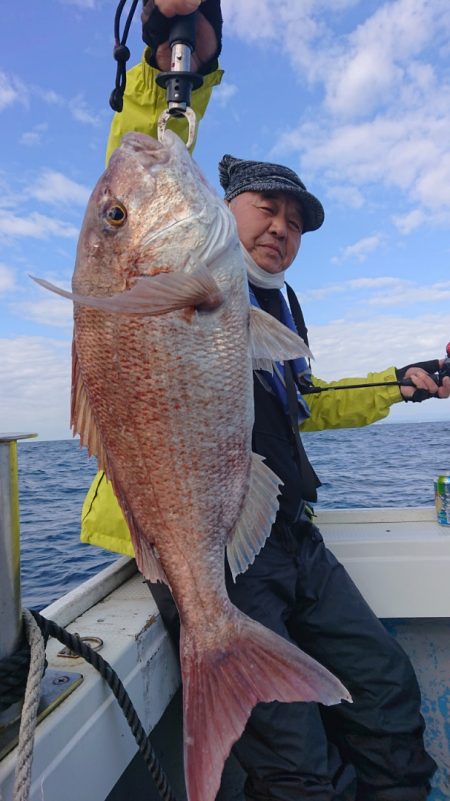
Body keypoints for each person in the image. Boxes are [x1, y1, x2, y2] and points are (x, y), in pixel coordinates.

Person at [81, 2, 449, 798]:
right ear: (220, 209)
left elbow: (308, 402)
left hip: (287, 536)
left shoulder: (278, 307)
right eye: (265, 210)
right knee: (297, 769)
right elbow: (141, 159)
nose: (281, 229)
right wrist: (174, 53)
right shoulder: (171, 271)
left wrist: (403, 381)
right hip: (208, 545)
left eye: (294, 222)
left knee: (387, 691)